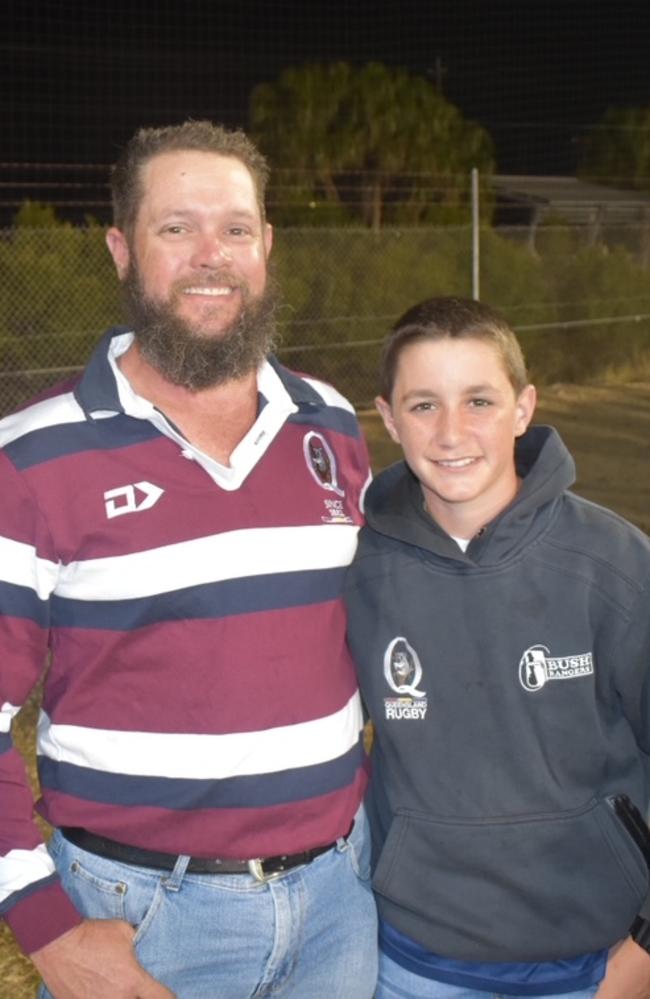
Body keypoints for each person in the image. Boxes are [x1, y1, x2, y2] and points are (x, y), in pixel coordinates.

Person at [0, 120, 378, 998]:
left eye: (236, 229)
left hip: (338, 907)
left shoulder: (331, 423)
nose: (213, 255)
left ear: (267, 245)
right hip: (145, 923)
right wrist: (46, 929)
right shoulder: (29, 458)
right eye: (177, 228)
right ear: (122, 250)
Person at [344, 296, 650, 998]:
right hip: (414, 962)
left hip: (600, 964)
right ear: (387, 416)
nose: (452, 432)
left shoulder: (616, 566)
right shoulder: (356, 570)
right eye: (423, 405)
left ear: (523, 407)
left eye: (479, 400)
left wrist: (643, 950)